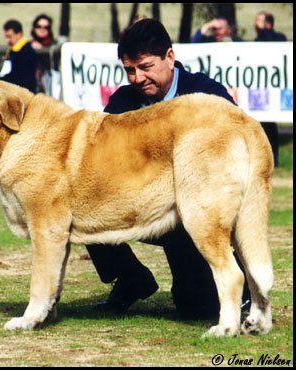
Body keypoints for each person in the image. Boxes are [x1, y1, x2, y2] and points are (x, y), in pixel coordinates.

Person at [87, 18, 250, 319]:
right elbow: (97, 154)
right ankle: (131, 279)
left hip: (196, 211)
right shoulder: (123, 101)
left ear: (170, 58)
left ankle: (240, 284)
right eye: (130, 70)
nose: (137, 78)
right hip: (144, 207)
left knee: (195, 308)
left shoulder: (206, 95)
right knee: (82, 200)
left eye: (145, 66)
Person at [254, 11, 287, 167]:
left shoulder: (278, 37)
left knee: (270, 124)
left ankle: (275, 158)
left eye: (259, 21)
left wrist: (265, 29)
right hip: (259, 88)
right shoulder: (256, 41)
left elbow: (273, 44)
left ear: (268, 23)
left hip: (274, 87)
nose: (255, 24)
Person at [0, 19, 36, 92]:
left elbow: (22, 78)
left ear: (19, 34)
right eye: (6, 37)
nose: (7, 41)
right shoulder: (13, 50)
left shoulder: (25, 51)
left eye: (10, 37)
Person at [30, 14, 57, 95]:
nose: (42, 29)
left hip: (49, 86)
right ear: (34, 28)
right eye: (39, 26)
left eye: (46, 27)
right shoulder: (28, 45)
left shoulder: (54, 46)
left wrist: (41, 50)